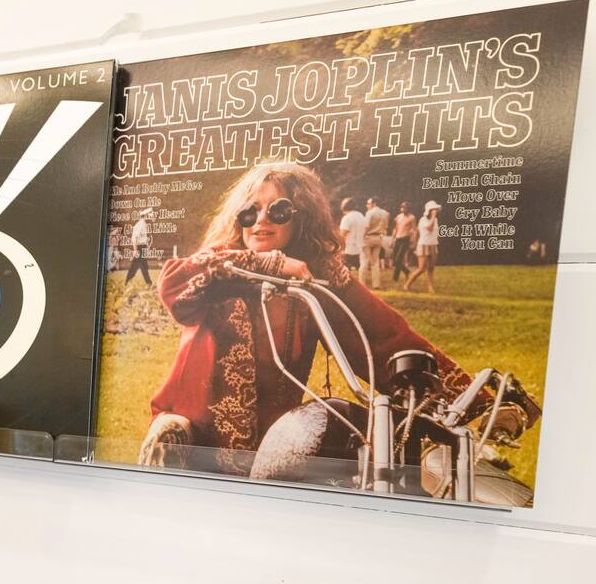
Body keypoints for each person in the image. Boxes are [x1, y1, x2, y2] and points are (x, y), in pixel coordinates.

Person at [138, 163, 488, 474]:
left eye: (278, 210)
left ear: (302, 216)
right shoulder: (220, 264)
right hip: (192, 438)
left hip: (271, 445)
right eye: (249, 211)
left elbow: (383, 337)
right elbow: (173, 286)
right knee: (172, 438)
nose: (260, 220)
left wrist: (477, 401)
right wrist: (268, 263)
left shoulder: (320, 276)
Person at [403, 200, 441, 293]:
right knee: (421, 268)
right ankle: (407, 284)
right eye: (434, 209)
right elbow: (430, 228)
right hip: (423, 245)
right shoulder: (423, 220)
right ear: (429, 210)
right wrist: (433, 216)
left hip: (433, 245)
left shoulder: (435, 220)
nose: (436, 211)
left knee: (431, 268)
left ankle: (430, 287)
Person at [338, 197, 366, 286]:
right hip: (360, 247)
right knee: (359, 268)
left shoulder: (347, 218)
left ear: (345, 206)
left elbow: (342, 235)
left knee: (345, 271)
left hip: (349, 249)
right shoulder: (361, 216)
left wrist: (339, 248)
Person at [363, 196, 389, 288]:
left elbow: (366, 226)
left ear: (374, 204)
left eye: (368, 203)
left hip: (368, 237)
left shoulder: (370, 213)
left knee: (364, 261)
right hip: (378, 237)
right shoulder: (385, 213)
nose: (367, 205)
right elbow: (385, 227)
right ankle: (376, 284)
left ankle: (362, 284)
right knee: (375, 262)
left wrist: (362, 237)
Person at [126, 208, 155, 285]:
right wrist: (135, 250)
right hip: (139, 247)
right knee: (135, 265)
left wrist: (146, 246)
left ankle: (149, 283)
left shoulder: (143, 224)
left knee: (144, 266)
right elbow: (134, 238)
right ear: (145, 216)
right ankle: (128, 281)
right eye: (149, 215)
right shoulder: (140, 224)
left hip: (142, 247)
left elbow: (142, 238)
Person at [390, 201, 416, 283]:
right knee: (394, 260)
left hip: (405, 239)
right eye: (402, 207)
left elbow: (414, 230)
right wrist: (392, 239)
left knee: (399, 259)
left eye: (405, 208)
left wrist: (414, 241)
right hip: (398, 239)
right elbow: (396, 228)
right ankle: (407, 271)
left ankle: (395, 278)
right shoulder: (398, 217)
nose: (403, 209)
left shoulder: (412, 217)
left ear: (408, 209)